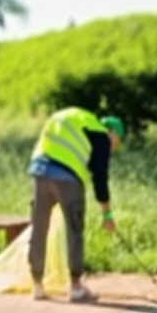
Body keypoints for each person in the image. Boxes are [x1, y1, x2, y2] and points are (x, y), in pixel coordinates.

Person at [27, 107, 125, 302]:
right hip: (68, 178)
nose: (114, 148)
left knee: (39, 227)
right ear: (113, 132)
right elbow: (100, 178)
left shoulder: (79, 121)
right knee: (74, 230)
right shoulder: (100, 134)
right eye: (117, 142)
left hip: (40, 171)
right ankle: (76, 288)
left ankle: (37, 286)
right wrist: (107, 215)